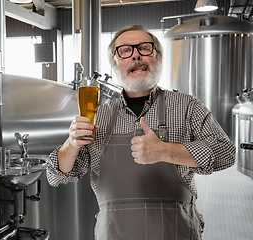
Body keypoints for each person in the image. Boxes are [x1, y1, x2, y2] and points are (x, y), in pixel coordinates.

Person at [46, 25, 236, 240]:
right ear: (115, 63)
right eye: (125, 51)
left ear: (159, 58)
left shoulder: (187, 106)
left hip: (175, 231)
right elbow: (56, 175)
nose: (136, 55)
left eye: (145, 48)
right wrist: (71, 143)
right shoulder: (98, 115)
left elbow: (226, 153)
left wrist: (166, 151)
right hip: (114, 233)